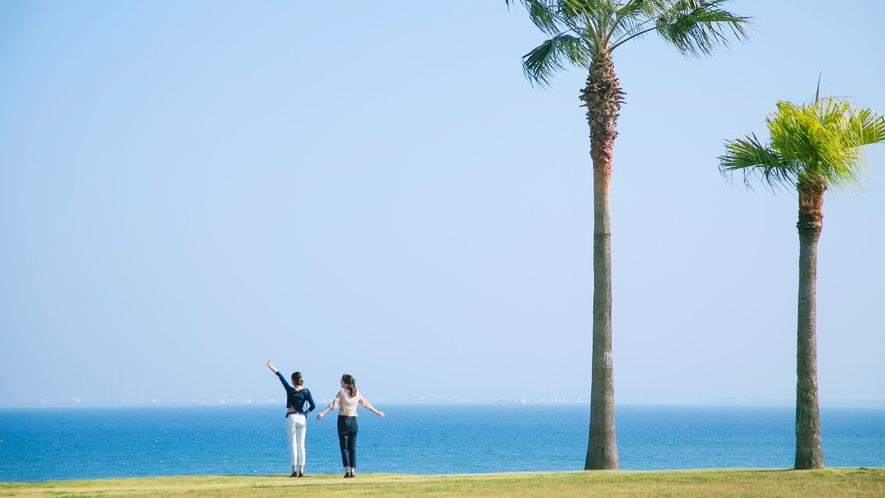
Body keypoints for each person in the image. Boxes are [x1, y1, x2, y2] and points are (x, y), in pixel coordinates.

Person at [315, 374, 385, 478]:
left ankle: (347, 471)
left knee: (344, 447)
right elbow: (366, 404)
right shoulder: (356, 394)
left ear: (346, 383)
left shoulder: (342, 393)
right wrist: (378, 412)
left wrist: (322, 413)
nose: (340, 382)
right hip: (353, 421)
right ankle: (353, 471)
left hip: (343, 420)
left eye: (341, 381)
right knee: (352, 447)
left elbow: (333, 405)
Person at [267, 359, 316, 477]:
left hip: (291, 417)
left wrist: (271, 366)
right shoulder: (306, 391)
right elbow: (313, 406)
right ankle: (301, 470)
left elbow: (280, 377)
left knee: (293, 445)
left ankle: (293, 470)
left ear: (293, 381)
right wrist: (305, 413)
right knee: (301, 445)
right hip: (302, 418)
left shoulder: (290, 390)